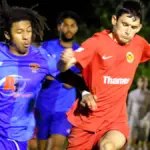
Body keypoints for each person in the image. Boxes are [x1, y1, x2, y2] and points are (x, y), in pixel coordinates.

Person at [58, 0, 150, 150]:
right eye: (124, 24)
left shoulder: (139, 44)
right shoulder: (97, 42)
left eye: (133, 27)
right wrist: (64, 62)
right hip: (87, 121)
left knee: (107, 146)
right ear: (114, 20)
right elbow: (63, 68)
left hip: (115, 122)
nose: (128, 31)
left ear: (139, 28)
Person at [0, 0, 59, 149]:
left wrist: (85, 92)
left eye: (29, 30)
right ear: (8, 34)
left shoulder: (41, 57)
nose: (26, 36)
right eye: (20, 32)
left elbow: (64, 74)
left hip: (14, 135)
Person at [35, 11, 81, 150]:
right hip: (43, 104)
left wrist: (73, 80)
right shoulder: (46, 47)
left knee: (56, 146)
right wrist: (45, 76)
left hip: (65, 107)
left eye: (73, 26)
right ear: (59, 27)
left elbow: (84, 77)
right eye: (65, 25)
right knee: (41, 147)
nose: (69, 29)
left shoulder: (80, 51)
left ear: (76, 29)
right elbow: (36, 69)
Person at [128, 76, 150, 145]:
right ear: (138, 83)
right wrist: (128, 119)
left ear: (147, 83)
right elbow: (129, 107)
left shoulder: (149, 94)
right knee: (131, 137)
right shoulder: (132, 93)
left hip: (145, 119)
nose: (142, 84)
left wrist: (146, 119)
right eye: (141, 82)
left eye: (144, 82)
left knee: (143, 138)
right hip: (133, 119)